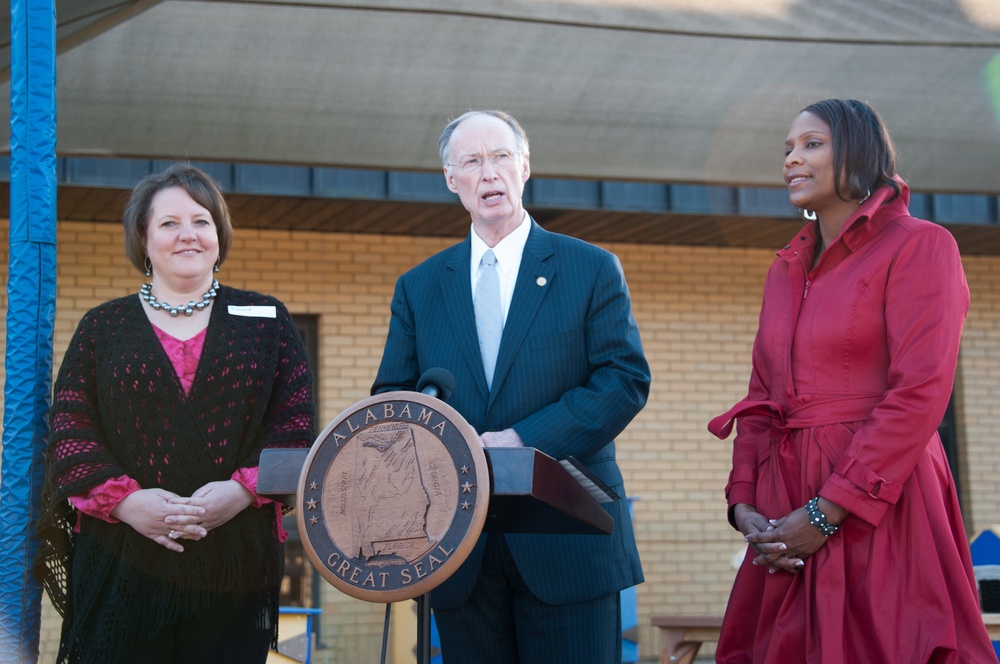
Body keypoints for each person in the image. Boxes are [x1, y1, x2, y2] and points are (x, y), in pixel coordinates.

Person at [708, 99, 997, 662]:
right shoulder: (785, 268)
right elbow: (763, 400)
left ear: (860, 152)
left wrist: (827, 511)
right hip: (785, 510)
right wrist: (747, 506)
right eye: (787, 149)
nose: (792, 159)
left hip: (882, 501)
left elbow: (919, 394)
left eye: (811, 144)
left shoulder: (922, 245)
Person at [371, 110, 650, 663]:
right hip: (455, 544)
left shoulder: (591, 268)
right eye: (471, 161)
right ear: (452, 180)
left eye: (500, 156)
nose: (488, 172)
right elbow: (393, 398)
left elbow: (623, 380)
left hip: (568, 536)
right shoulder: (420, 287)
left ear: (525, 167)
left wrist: (522, 439)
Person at [34, 163, 316, 664]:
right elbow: (71, 431)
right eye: (169, 223)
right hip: (121, 559)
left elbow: (294, 428)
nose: (187, 234)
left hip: (234, 564)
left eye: (201, 221)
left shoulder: (268, 321)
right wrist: (126, 503)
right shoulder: (103, 327)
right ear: (143, 239)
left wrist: (241, 491)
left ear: (219, 235)